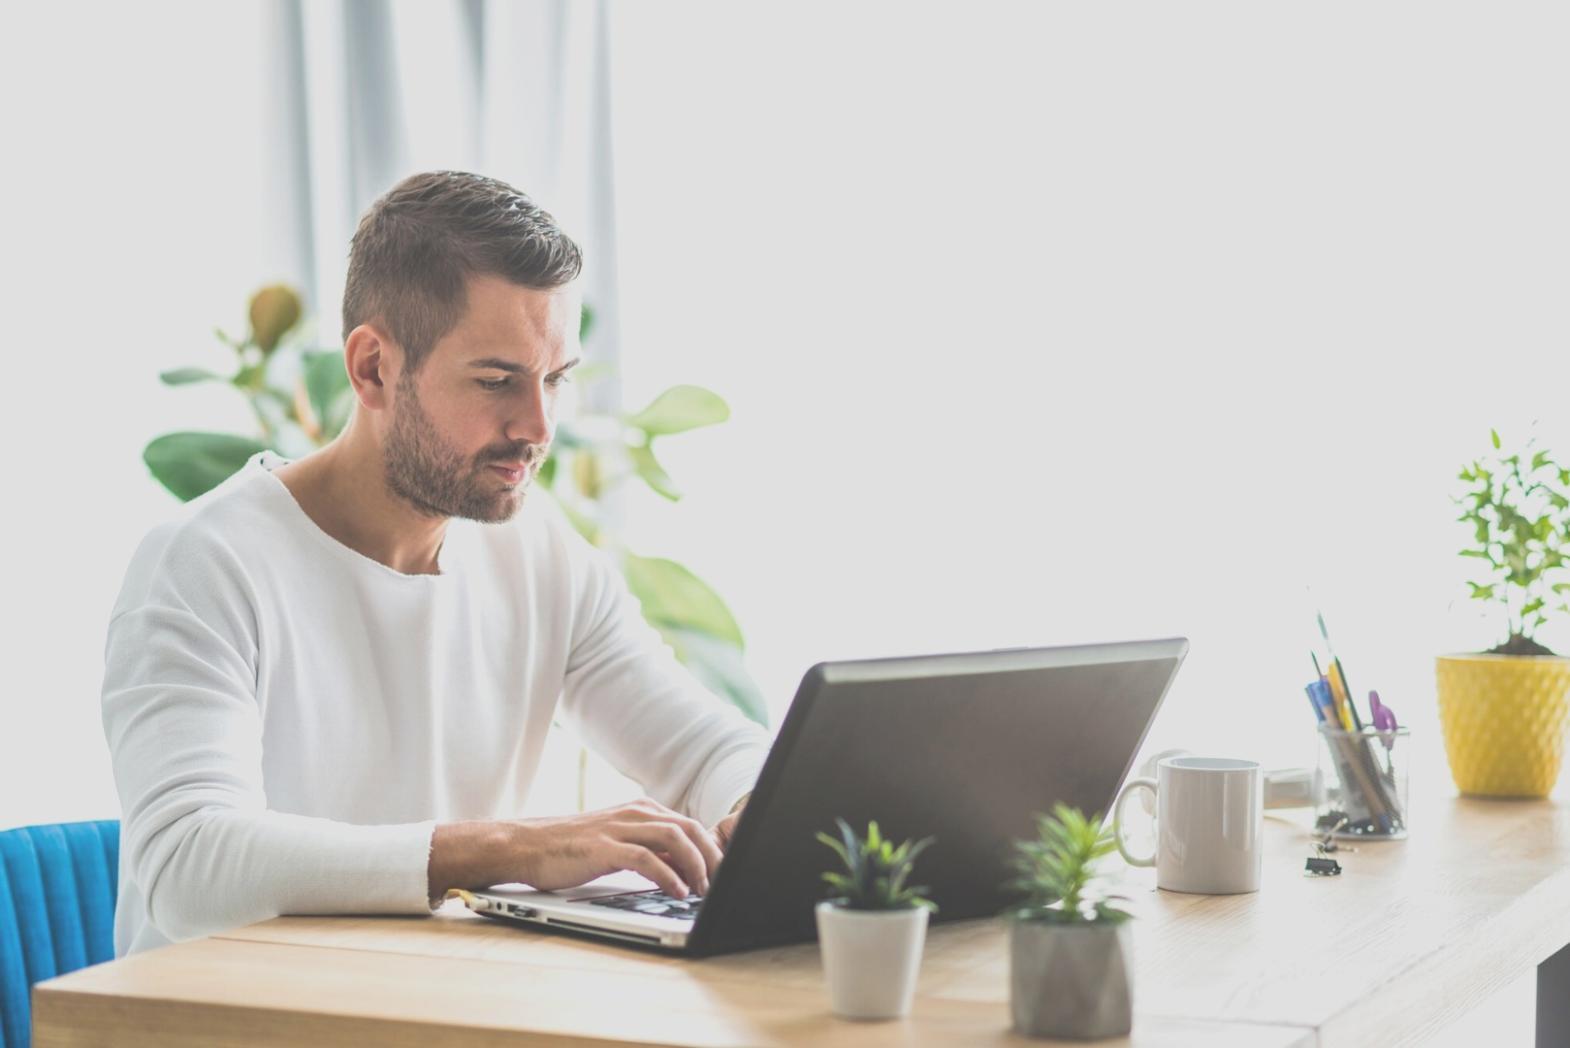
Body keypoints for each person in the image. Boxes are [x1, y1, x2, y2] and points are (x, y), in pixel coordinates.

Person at [101, 171, 769, 956]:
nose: (538, 425)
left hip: (433, 1010)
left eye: (555, 379)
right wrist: (509, 849)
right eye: (498, 381)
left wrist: (760, 808)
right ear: (374, 369)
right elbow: (188, 868)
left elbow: (710, 751)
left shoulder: (540, 556)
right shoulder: (204, 565)